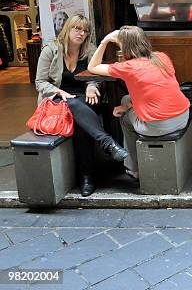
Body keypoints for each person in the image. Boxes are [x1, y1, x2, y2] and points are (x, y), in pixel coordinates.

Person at [35, 15, 128, 196]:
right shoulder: (50, 50)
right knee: (74, 105)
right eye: (77, 28)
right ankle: (104, 149)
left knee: (80, 122)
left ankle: (86, 175)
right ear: (68, 29)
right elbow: (40, 82)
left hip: (82, 98)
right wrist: (59, 92)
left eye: (85, 31)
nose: (81, 33)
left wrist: (92, 86)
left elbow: (94, 74)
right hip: (56, 99)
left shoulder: (90, 50)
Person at [88, 26, 190, 180]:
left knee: (125, 119)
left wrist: (105, 41)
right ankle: (136, 157)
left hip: (159, 126)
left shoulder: (128, 67)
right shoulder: (161, 57)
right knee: (126, 99)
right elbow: (151, 94)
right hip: (182, 116)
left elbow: (92, 67)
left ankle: (133, 168)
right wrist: (127, 106)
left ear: (125, 47)